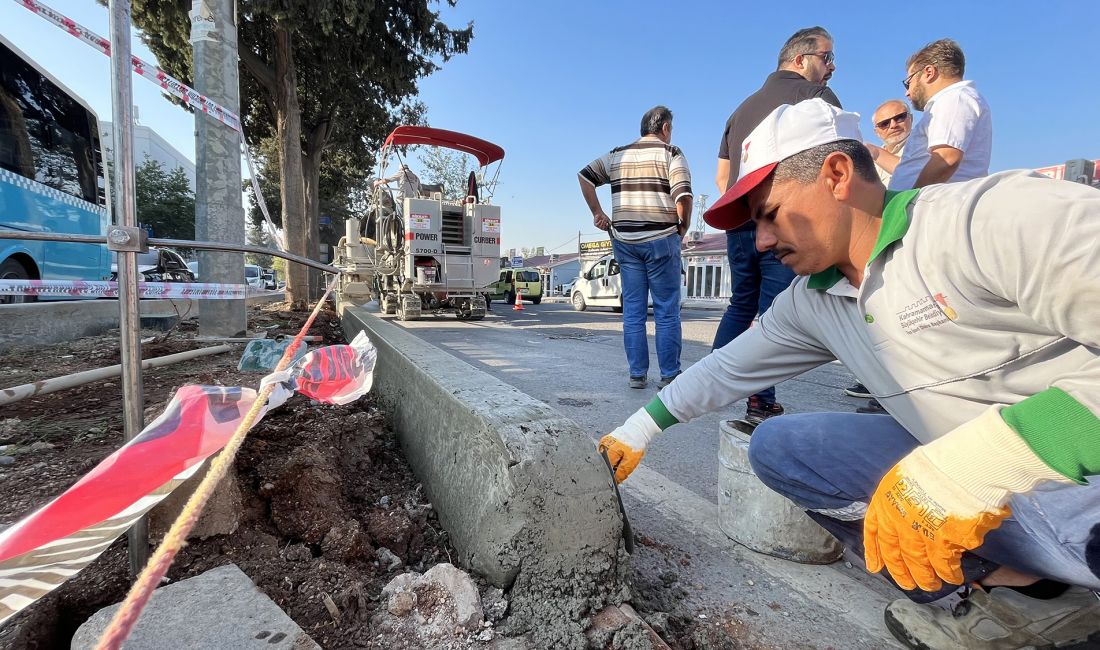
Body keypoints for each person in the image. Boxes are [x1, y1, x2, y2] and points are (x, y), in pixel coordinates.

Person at [599, 99, 1100, 649]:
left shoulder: (987, 219)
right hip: (984, 482)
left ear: (837, 174)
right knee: (782, 447)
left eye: (771, 213)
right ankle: (1023, 596)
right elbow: (728, 367)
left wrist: (977, 464)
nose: (761, 240)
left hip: (1077, 481)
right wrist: (638, 430)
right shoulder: (812, 299)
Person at [710, 26, 841, 424]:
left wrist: (750, 210)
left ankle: (707, 378)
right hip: (787, 219)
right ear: (801, 60)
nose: (832, 68)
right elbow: (836, 167)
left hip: (739, 220)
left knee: (741, 303)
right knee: (772, 313)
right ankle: (760, 400)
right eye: (827, 57)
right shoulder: (816, 97)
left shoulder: (740, 110)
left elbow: (722, 179)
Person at [578, 106, 693, 389]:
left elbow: (584, 176)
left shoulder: (617, 155)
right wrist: (683, 227)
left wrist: (598, 212)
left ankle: (637, 374)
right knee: (666, 310)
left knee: (633, 311)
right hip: (661, 240)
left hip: (626, 243)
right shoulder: (671, 153)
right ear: (665, 128)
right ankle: (669, 376)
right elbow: (684, 196)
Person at [844, 99, 914, 408]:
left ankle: (894, 391)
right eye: (885, 123)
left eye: (899, 118)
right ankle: (879, 383)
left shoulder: (917, 149)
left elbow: (913, 177)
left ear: (910, 118)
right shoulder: (875, 162)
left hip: (910, 238)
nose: (894, 126)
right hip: (882, 241)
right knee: (881, 314)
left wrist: (874, 152)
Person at [888, 39, 992, 190]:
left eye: (908, 82)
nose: (907, 92)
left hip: (932, 207)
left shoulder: (954, 98)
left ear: (929, 73)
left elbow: (946, 159)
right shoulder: (952, 100)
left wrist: (910, 203)